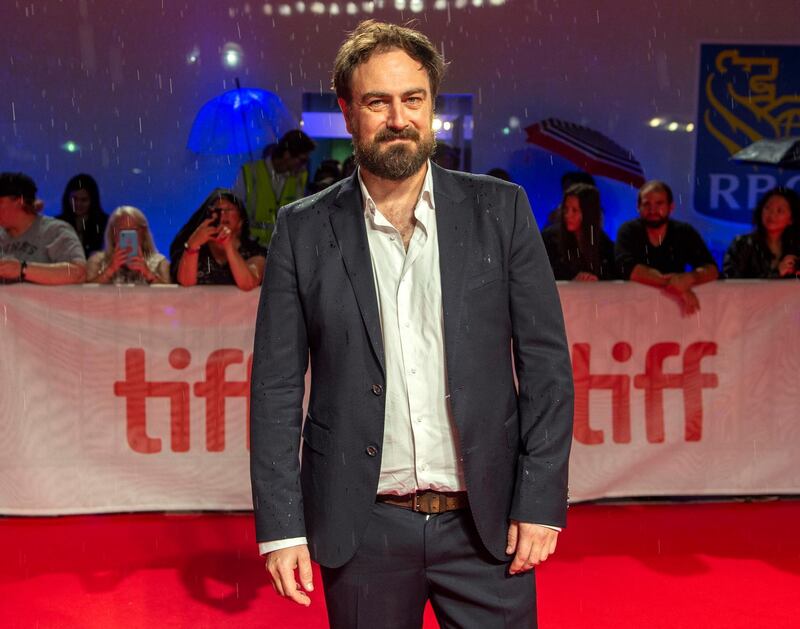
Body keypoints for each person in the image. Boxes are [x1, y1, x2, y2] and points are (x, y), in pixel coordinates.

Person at [250, 20, 574, 629]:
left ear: (432, 109)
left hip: (488, 526)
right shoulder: (302, 230)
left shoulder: (500, 212)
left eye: (413, 99)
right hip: (361, 527)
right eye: (377, 101)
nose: (398, 118)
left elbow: (548, 369)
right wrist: (282, 527)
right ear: (348, 113)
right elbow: (275, 389)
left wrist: (540, 499)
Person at [615, 180, 718, 315]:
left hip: (677, 311)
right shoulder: (628, 231)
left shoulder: (684, 232)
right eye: (646, 204)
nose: (652, 210)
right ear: (638, 207)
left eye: (659, 203)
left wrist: (690, 278)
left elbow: (711, 269)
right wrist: (677, 285)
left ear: (671, 207)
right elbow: (627, 268)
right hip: (631, 310)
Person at [232, 130, 317, 247]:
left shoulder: (299, 177)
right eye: (302, 160)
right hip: (251, 246)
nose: (303, 167)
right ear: (287, 155)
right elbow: (235, 212)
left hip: (281, 250)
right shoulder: (249, 173)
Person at [0, 172, 86, 285]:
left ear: (19, 201)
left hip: (47, 302)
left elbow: (78, 273)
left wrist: (22, 269)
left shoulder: (54, 231)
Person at [171, 189, 266, 291]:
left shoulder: (255, 252)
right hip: (200, 306)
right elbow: (186, 283)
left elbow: (248, 284)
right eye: (217, 210)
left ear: (240, 222)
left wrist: (228, 246)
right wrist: (193, 244)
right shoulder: (197, 251)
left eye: (228, 209)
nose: (222, 214)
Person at [541, 183, 616, 281]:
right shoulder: (549, 239)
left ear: (588, 213)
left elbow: (612, 277)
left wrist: (595, 280)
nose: (568, 215)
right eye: (566, 209)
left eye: (574, 210)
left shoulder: (604, 243)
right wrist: (572, 282)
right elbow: (542, 277)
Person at [723, 186, 799, 279]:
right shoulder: (742, 244)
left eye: (780, 210)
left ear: (791, 219)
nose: (772, 214)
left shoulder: (795, 248)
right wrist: (776, 272)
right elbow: (731, 282)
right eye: (767, 207)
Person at [86, 206, 170, 284]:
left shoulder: (160, 263)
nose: (128, 238)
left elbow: (171, 295)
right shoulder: (97, 261)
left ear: (144, 232)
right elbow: (85, 293)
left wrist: (148, 273)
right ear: (112, 233)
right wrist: (110, 270)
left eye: (133, 230)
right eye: (122, 231)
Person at [56, 173, 109, 258]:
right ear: (67, 198)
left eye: (84, 200)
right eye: (74, 199)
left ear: (93, 200)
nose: (78, 204)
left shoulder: (106, 223)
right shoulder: (57, 223)